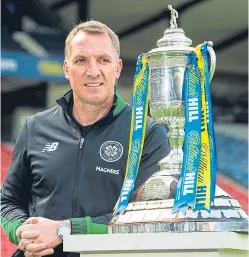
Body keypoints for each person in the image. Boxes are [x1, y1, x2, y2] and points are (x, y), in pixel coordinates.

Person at [1, 20, 170, 257]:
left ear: (118, 68)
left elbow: (148, 217)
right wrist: (22, 231)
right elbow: (8, 201)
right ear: (67, 69)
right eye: (81, 60)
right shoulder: (35, 127)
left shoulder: (147, 133)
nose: (93, 71)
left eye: (103, 60)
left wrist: (65, 230)